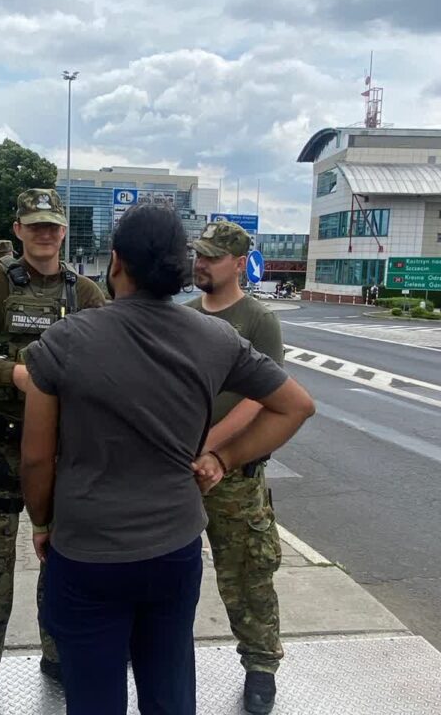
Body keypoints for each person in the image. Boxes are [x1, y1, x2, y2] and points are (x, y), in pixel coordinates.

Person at [21, 205, 315, 715]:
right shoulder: (215, 337)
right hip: (174, 550)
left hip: (88, 547)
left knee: (92, 694)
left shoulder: (65, 342)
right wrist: (223, 458)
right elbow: (296, 406)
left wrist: (43, 521)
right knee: (170, 683)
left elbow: (36, 459)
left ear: (116, 263)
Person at [0, 188, 106, 714]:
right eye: (34, 225)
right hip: (1, 445)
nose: (44, 234)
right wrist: (14, 374)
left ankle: (56, 654)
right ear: (18, 229)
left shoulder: (85, 292)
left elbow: (108, 357)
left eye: (53, 226)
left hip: (62, 453)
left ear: (64, 232)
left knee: (59, 560)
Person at [188, 220, 286, 715]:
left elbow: (259, 397)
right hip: (181, 472)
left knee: (247, 574)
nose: (200, 263)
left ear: (237, 263)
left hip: (233, 476)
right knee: (163, 574)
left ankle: (261, 666)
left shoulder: (256, 321)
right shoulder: (183, 316)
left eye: (210, 256)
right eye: (198, 254)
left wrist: (210, 448)